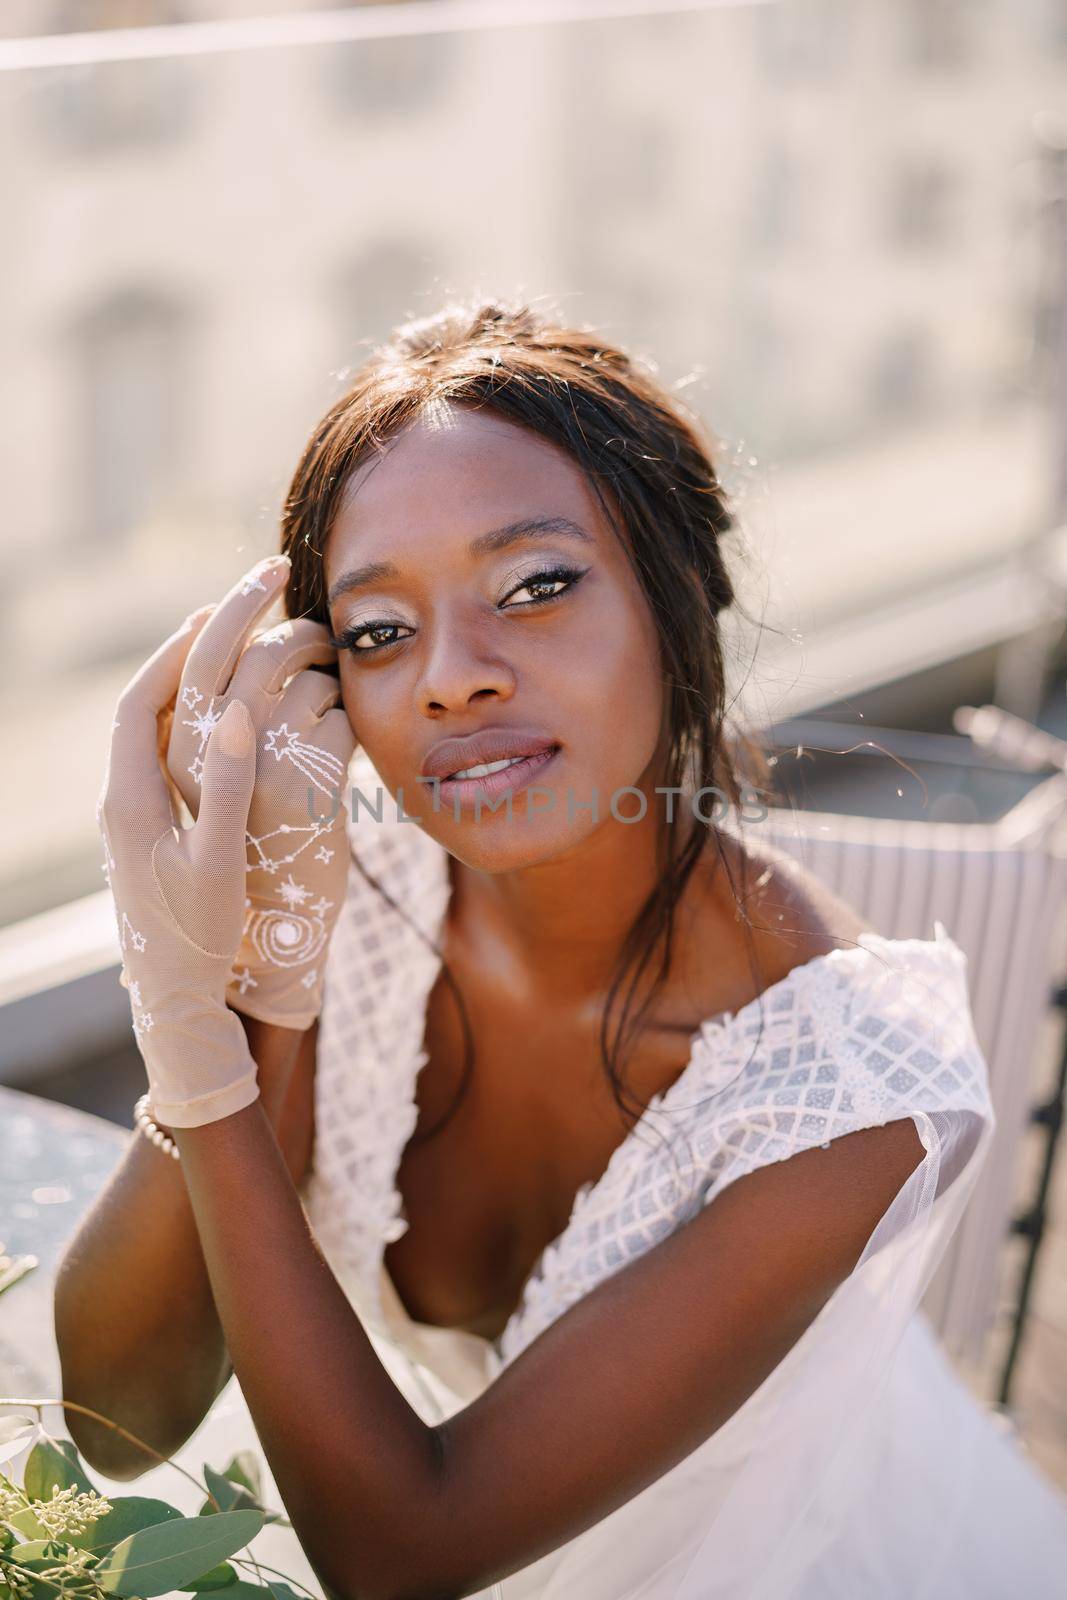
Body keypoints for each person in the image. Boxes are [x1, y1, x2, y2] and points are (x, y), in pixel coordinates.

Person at [59, 299, 1067, 1599]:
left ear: (682, 582)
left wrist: (194, 1036)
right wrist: (249, 990)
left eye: (536, 586)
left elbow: (402, 1559)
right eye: (378, 630)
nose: (452, 677)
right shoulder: (328, 906)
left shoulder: (854, 1088)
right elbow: (118, 1421)